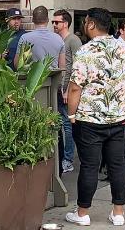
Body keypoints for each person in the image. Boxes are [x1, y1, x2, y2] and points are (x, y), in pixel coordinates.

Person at [65, 8, 125, 227]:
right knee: (118, 164)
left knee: (89, 166)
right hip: (117, 118)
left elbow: (75, 88)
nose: (84, 26)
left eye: (85, 22)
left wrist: (72, 115)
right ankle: (118, 212)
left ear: (91, 24)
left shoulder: (85, 51)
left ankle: (83, 214)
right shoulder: (123, 48)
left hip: (90, 120)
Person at [54, 9, 82, 174]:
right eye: (53, 22)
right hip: (59, 88)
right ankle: (64, 158)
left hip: (67, 90)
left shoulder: (73, 40)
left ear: (65, 23)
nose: (54, 25)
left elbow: (77, 67)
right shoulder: (59, 40)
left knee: (67, 125)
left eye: (56, 22)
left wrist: (68, 91)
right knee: (61, 123)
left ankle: (68, 159)